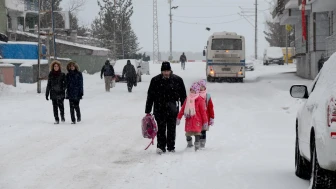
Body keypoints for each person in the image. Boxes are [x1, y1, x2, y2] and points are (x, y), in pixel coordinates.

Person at [145, 61, 187, 154]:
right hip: (159, 109)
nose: (166, 73)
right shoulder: (155, 80)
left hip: (173, 109)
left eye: (167, 71)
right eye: (164, 71)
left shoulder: (178, 80)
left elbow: (183, 96)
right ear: (161, 71)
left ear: (170, 70)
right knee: (161, 128)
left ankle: (171, 147)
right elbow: (150, 96)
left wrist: (185, 109)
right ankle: (161, 147)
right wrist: (148, 110)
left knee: (172, 128)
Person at [176, 82, 208, 151]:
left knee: (197, 134)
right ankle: (189, 144)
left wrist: (205, 122)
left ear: (197, 91)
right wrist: (179, 117)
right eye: (191, 90)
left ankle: (197, 147)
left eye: (194, 90)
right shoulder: (187, 99)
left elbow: (203, 112)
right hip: (189, 120)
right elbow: (183, 109)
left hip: (197, 120)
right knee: (187, 134)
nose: (192, 92)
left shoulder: (200, 99)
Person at [198, 79, 215, 148]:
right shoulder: (195, 95)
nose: (201, 88)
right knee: (198, 130)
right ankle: (197, 142)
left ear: (205, 87)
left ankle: (203, 143)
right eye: (199, 86)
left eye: (202, 86)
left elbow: (211, 107)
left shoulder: (207, 96)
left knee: (203, 131)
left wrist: (212, 117)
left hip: (205, 117)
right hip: (198, 117)